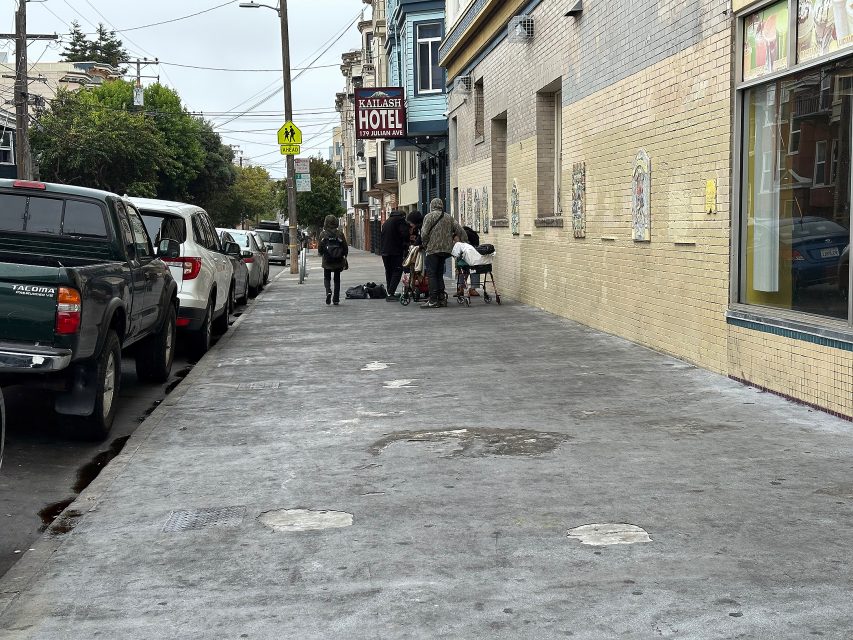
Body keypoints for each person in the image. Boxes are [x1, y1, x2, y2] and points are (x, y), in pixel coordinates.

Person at [419, 198, 467, 309]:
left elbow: (424, 233)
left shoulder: (429, 217)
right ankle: (441, 298)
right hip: (445, 251)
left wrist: (425, 244)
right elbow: (460, 230)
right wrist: (465, 242)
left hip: (433, 250)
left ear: (432, 206)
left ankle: (433, 300)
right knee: (439, 274)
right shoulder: (449, 217)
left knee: (432, 274)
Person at [318, 214, 348, 306]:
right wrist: (344, 256)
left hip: (327, 260)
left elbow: (320, 248)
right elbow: (345, 247)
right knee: (337, 279)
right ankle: (336, 299)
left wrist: (322, 253)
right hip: (338, 259)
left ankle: (328, 291)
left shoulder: (323, 234)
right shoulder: (340, 234)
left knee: (327, 278)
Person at [380, 209, 409, 301]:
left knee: (389, 271)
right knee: (397, 270)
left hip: (385, 251)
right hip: (395, 251)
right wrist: (406, 243)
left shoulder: (387, 222)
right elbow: (404, 234)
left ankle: (389, 292)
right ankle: (391, 293)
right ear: (403, 216)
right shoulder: (400, 220)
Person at [461, 225, 481, 296]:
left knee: (463, 270)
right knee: (474, 269)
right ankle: (472, 289)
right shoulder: (473, 234)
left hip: (468, 254)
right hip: (474, 255)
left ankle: (461, 288)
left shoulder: (464, 234)